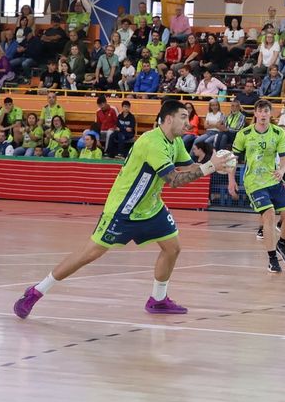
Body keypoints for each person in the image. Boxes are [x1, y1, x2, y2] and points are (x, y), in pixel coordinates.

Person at [13, 97, 233, 319]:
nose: (187, 122)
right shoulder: (152, 143)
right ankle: (36, 291)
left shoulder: (175, 142)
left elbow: (188, 167)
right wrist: (209, 168)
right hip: (124, 208)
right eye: (183, 117)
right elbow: (174, 180)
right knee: (89, 254)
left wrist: (213, 164)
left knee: (172, 248)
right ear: (168, 119)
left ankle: (157, 300)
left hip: (151, 207)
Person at [226, 99, 285, 274]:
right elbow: (233, 159)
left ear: (270, 114)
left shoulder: (277, 133)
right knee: (269, 215)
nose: (264, 114)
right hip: (254, 182)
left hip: (274, 179)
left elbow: (284, 155)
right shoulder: (243, 134)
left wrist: (282, 170)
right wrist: (231, 180)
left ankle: (282, 244)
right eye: (260, 111)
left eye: (267, 111)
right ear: (256, 114)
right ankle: (272, 259)